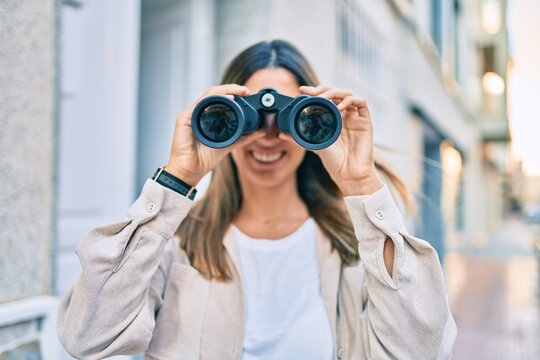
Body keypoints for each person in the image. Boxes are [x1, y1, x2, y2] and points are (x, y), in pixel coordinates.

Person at [57, 40, 457, 359]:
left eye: (291, 116)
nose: (267, 134)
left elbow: (422, 351)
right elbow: (87, 337)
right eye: (244, 116)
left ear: (315, 120)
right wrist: (178, 178)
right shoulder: (179, 242)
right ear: (219, 118)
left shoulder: (357, 246)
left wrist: (361, 184)